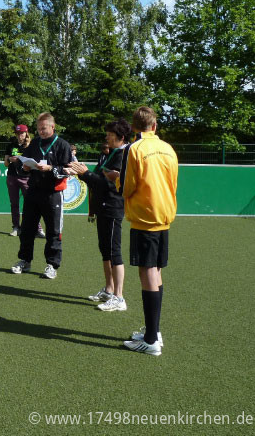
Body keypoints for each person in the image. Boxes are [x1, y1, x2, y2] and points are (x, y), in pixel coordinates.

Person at [117, 106, 177, 356]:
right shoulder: (168, 148)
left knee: (148, 271)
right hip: (164, 216)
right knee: (157, 270)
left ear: (133, 127)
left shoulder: (135, 148)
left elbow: (126, 187)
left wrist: (116, 180)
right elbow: (173, 182)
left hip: (145, 217)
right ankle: (155, 331)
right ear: (154, 125)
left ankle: (151, 340)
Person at [69, 119, 132, 312]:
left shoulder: (124, 155)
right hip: (102, 207)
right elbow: (96, 178)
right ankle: (108, 289)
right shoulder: (109, 153)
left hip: (113, 207)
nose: (106, 137)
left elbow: (110, 184)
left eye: (110, 134)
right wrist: (80, 172)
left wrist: (85, 173)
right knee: (105, 250)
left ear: (121, 137)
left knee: (114, 251)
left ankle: (119, 297)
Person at [10, 112, 72, 279]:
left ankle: (52, 265)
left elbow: (69, 169)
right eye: (38, 129)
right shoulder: (34, 143)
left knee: (53, 231)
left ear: (53, 127)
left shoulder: (63, 145)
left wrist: (51, 168)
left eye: (44, 128)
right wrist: (25, 168)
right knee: (27, 229)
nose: (41, 132)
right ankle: (25, 260)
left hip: (53, 193)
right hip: (33, 191)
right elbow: (24, 164)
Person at [4, 125, 31, 238]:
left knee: (30, 204)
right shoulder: (11, 145)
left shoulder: (31, 146)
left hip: (27, 178)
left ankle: (35, 228)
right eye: (18, 133)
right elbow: (5, 164)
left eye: (22, 133)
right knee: (14, 204)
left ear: (26, 133)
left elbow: (35, 162)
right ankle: (16, 227)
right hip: (12, 177)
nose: (20, 136)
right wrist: (9, 159)